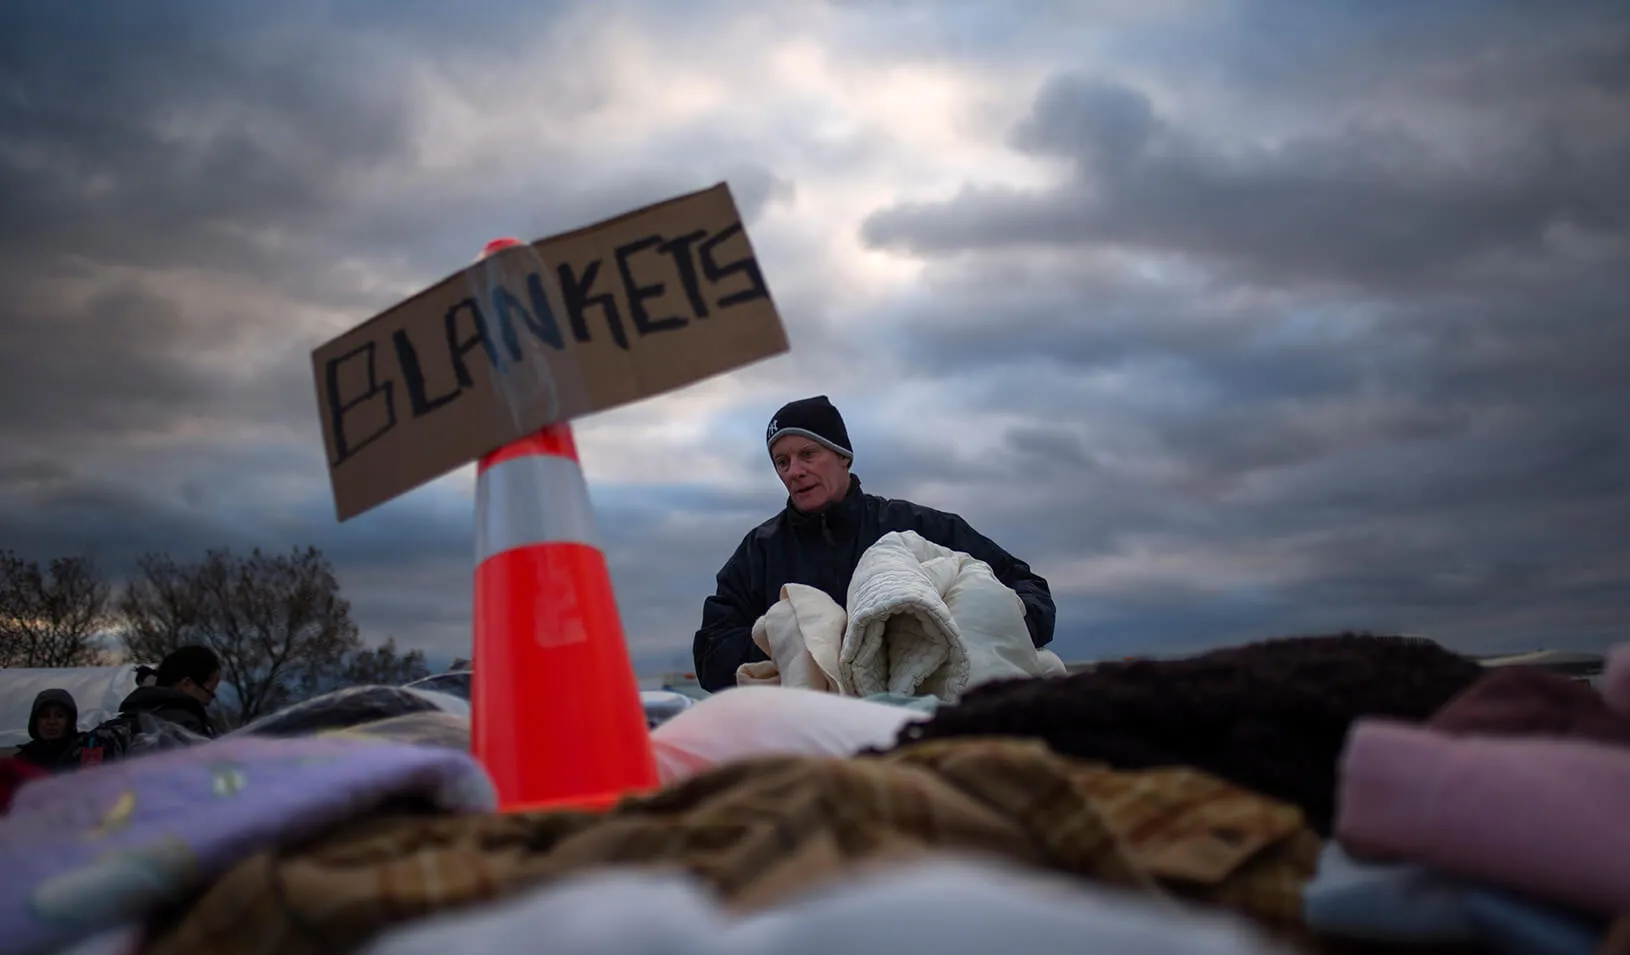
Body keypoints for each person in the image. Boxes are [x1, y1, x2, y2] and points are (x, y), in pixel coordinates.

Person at [693, 395, 1056, 692]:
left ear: (843, 456)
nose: (794, 471)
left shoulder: (918, 527)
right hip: (815, 733)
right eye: (782, 462)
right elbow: (711, 652)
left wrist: (953, 631)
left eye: (808, 454)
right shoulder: (759, 552)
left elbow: (1029, 590)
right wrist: (798, 642)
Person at [116, 644, 222, 738]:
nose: (209, 701)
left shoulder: (130, 720)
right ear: (186, 683)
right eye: (210, 691)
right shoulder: (187, 728)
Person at [13, 689, 82, 772]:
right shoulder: (21, 761)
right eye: (44, 715)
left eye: (60, 715)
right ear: (35, 721)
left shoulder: (83, 753)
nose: (51, 722)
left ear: (70, 721)